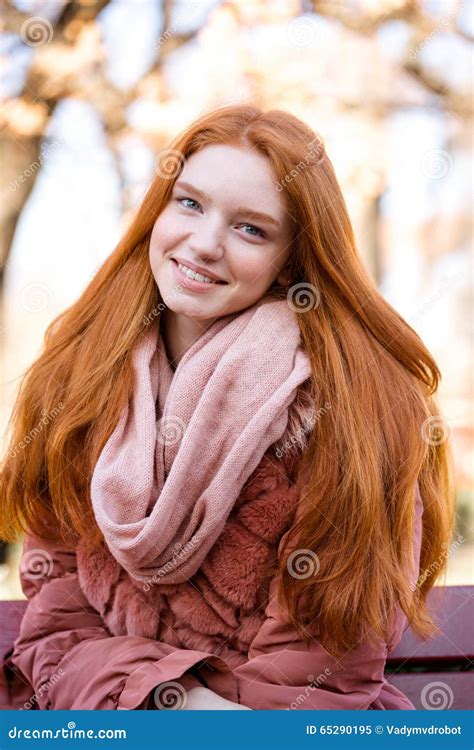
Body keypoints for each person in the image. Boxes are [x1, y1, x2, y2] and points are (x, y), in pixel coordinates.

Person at [0, 103, 454, 711]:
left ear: (291, 260)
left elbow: (323, 669)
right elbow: (57, 619)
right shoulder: (79, 379)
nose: (204, 244)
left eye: (251, 229)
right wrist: (169, 699)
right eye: (189, 203)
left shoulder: (354, 410)